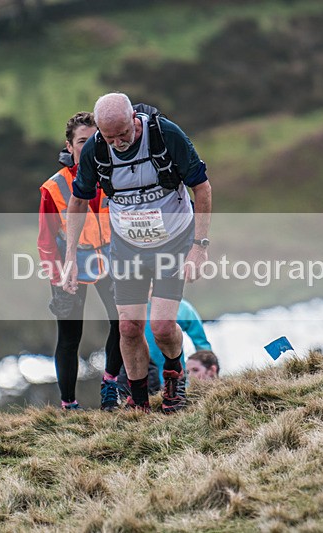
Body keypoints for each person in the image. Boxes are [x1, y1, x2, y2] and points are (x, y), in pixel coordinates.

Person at [64, 92, 212, 413]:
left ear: (134, 119)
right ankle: (139, 399)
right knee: (129, 327)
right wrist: (70, 258)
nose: (118, 143)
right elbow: (77, 202)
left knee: (161, 326)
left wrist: (199, 247)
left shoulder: (166, 135)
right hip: (128, 246)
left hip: (173, 241)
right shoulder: (95, 149)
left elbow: (201, 187)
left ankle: (175, 378)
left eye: (124, 134)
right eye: (109, 136)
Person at [38, 111, 123, 411]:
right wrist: (57, 277)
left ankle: (110, 385)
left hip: (113, 261)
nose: (88, 148)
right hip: (71, 268)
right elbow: (46, 240)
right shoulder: (53, 188)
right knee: (70, 338)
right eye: (81, 142)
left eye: (93, 141)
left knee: (125, 323)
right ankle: (69, 405)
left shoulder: (117, 173)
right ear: (69, 145)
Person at [118, 296, 213, 395]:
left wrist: (208, 368)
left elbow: (201, 343)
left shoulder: (181, 308)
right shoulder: (129, 310)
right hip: (141, 376)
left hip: (175, 376)